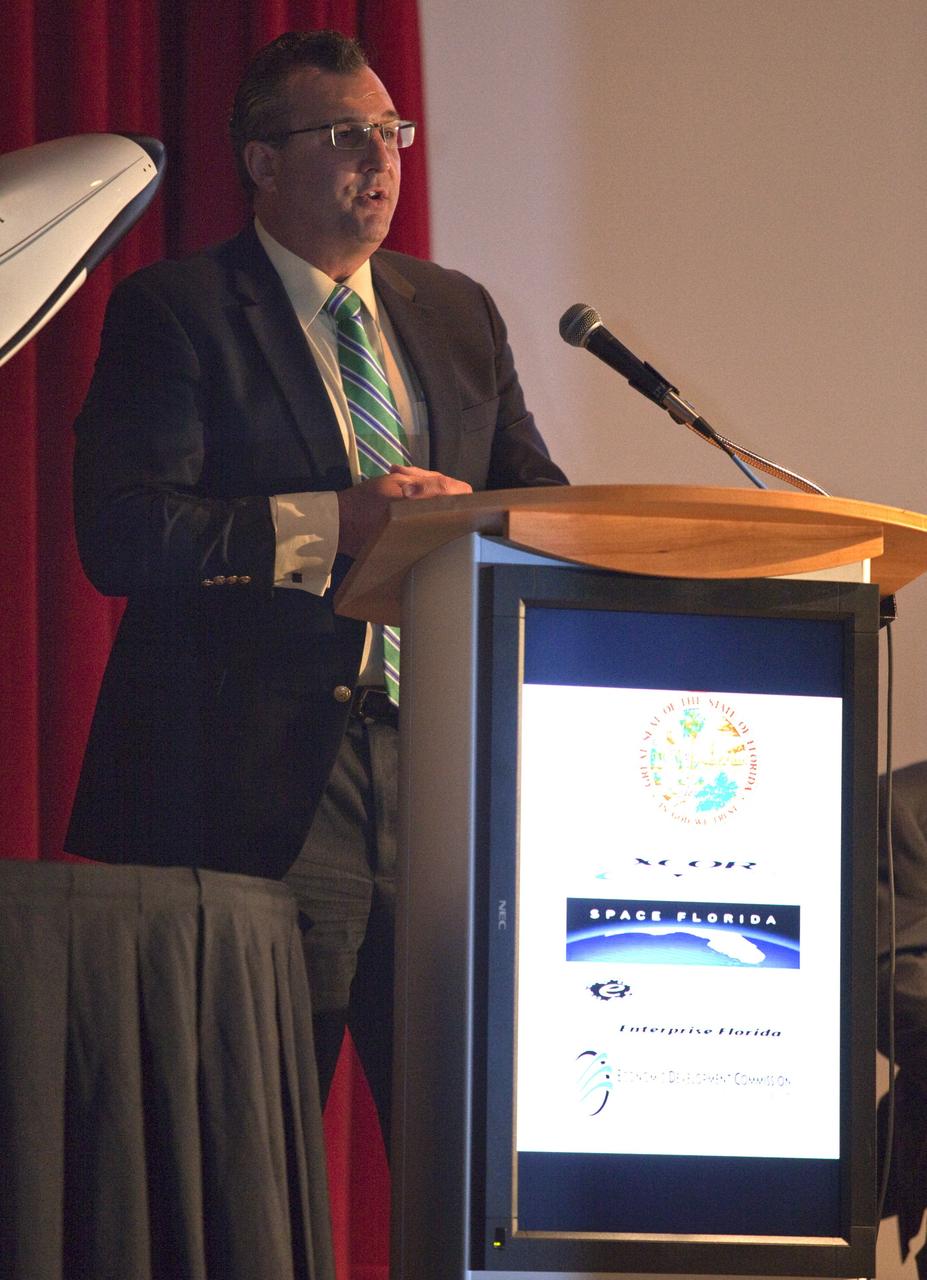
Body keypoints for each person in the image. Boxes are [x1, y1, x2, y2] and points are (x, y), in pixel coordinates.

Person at [66, 29, 566, 1138]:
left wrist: (482, 524)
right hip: (252, 793)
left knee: (470, 1146)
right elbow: (123, 532)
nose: (381, 161)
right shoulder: (180, 311)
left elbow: (539, 503)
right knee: (239, 1146)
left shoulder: (456, 313)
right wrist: (338, 521)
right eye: (345, 136)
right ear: (262, 160)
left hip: (443, 780)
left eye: (390, 133)